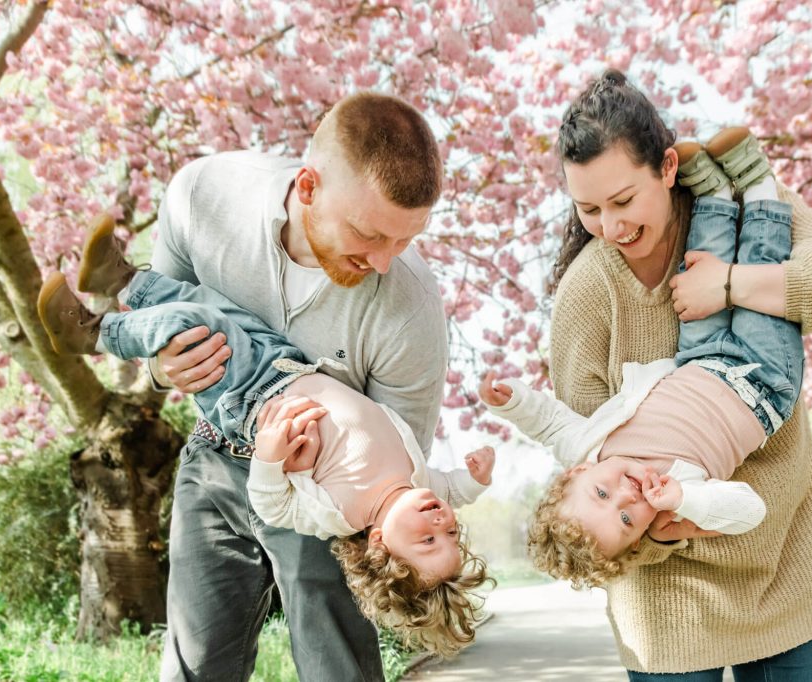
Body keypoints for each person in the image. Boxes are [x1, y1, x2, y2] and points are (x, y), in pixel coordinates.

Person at [547, 70, 812, 681]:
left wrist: (728, 284)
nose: (611, 227)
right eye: (589, 209)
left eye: (623, 200)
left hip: (784, 566)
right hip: (666, 600)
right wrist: (658, 531)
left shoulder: (751, 207)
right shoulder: (587, 296)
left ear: (668, 167)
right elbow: (591, 469)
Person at [36, 226, 495, 656]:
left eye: (428, 540)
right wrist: (474, 481)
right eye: (451, 533)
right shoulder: (416, 477)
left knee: (194, 325)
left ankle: (93, 333)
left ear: (380, 544)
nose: (441, 521)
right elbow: (450, 488)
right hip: (284, 363)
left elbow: (273, 506)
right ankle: (122, 279)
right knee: (210, 303)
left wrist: (271, 456)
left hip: (250, 400)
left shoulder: (341, 513)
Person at [115, 92, 448, 681]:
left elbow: (399, 467)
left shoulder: (410, 308)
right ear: (309, 187)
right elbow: (158, 316)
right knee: (193, 664)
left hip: (328, 496)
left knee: (335, 666)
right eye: (368, 235)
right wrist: (163, 370)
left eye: (404, 240)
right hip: (216, 449)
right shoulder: (202, 197)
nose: (383, 263)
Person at [480, 128, 803, 587]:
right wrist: (684, 500)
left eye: (601, 493)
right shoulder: (678, 495)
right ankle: (757, 183)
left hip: (698, 359)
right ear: (638, 539)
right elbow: (749, 510)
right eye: (627, 520)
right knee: (759, 270)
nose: (626, 497)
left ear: (578, 472)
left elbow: (549, 423)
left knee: (697, 277)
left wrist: (510, 402)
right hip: (761, 381)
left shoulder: (588, 444)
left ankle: (713, 195)